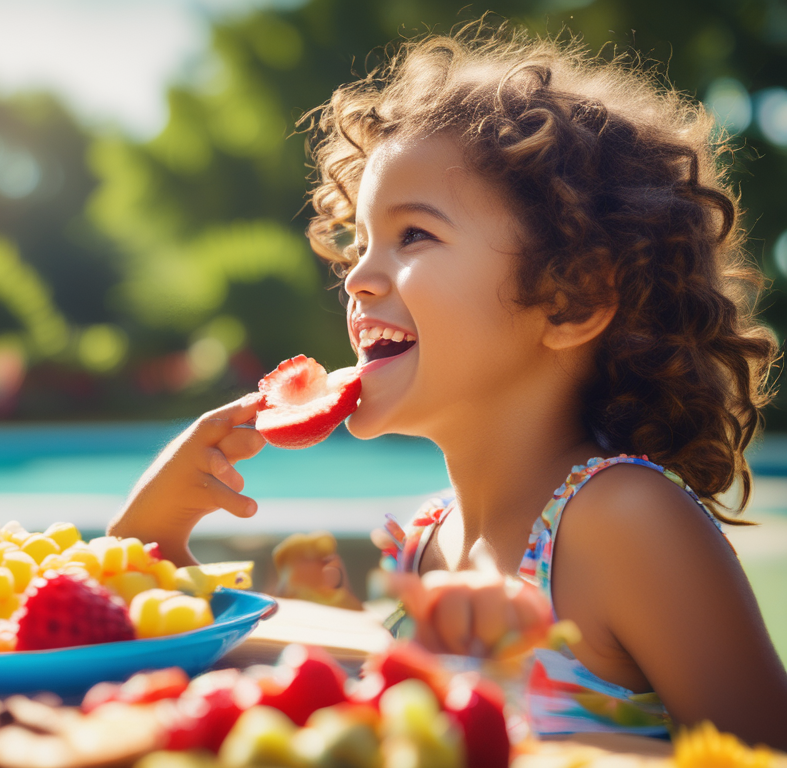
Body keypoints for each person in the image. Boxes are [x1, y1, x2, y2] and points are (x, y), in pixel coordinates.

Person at [109, 24, 787, 746]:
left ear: (573, 300)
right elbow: (283, 689)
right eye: (361, 243)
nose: (357, 279)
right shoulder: (424, 541)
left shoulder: (625, 520)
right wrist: (148, 543)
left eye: (415, 236)